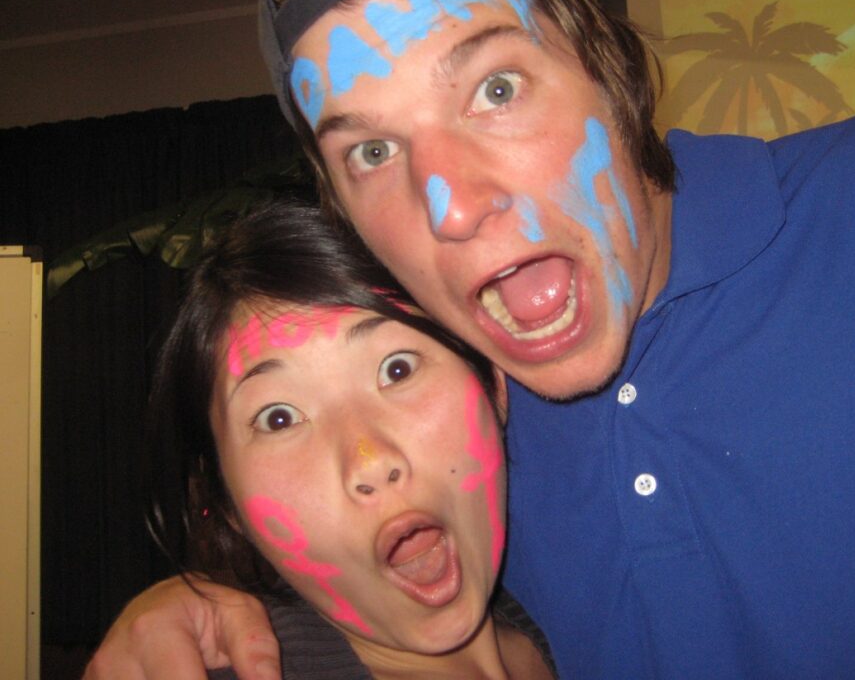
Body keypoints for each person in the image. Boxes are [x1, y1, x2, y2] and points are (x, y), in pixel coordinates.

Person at [86, 0, 855, 677]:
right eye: (371, 150)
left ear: (608, 65)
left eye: (495, 89)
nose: (451, 206)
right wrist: (211, 606)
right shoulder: (450, 436)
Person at [140, 197, 556, 679]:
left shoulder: (578, 618)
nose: (370, 460)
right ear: (229, 507)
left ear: (493, 384)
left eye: (397, 370)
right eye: (279, 419)